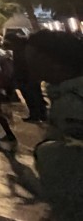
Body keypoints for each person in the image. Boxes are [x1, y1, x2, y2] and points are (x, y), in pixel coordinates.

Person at [25, 30, 83, 220]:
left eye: (31, 58)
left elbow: (72, 163)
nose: (27, 64)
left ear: (50, 60)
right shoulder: (64, 95)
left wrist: (44, 152)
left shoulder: (73, 102)